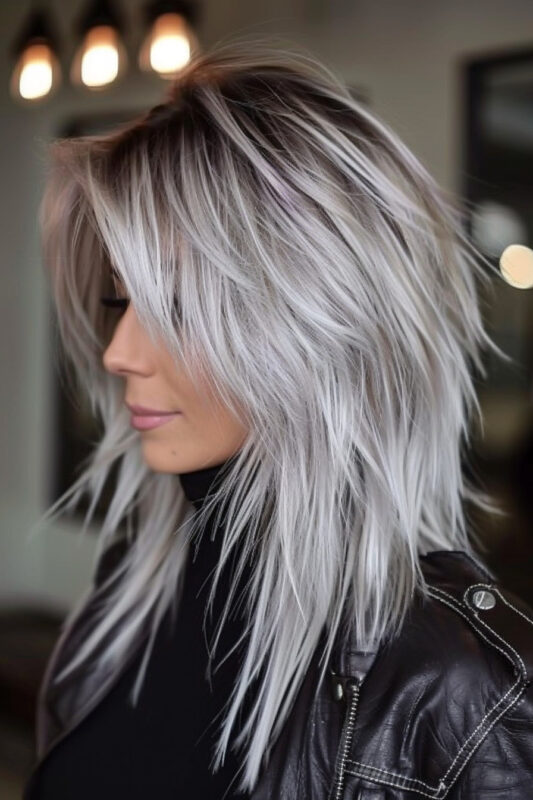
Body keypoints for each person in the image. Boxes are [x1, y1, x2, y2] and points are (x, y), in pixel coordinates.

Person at [24, 37, 533, 799]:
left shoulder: (456, 691)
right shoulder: (124, 604)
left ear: (316, 325)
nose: (118, 353)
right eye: (119, 299)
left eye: (180, 306)